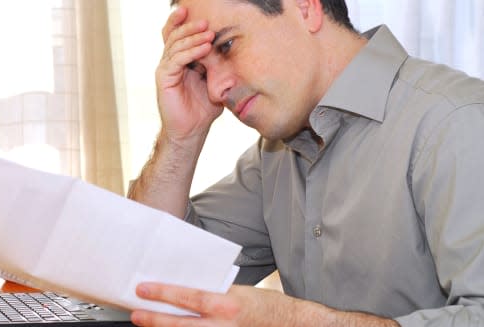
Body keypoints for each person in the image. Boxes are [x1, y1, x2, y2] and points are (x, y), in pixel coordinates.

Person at [127, 0, 484, 325]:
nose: (216, 89)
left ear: (305, 8)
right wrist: (180, 138)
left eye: (227, 46)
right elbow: (151, 276)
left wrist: (292, 320)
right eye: (201, 71)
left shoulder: (457, 122)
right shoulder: (274, 156)